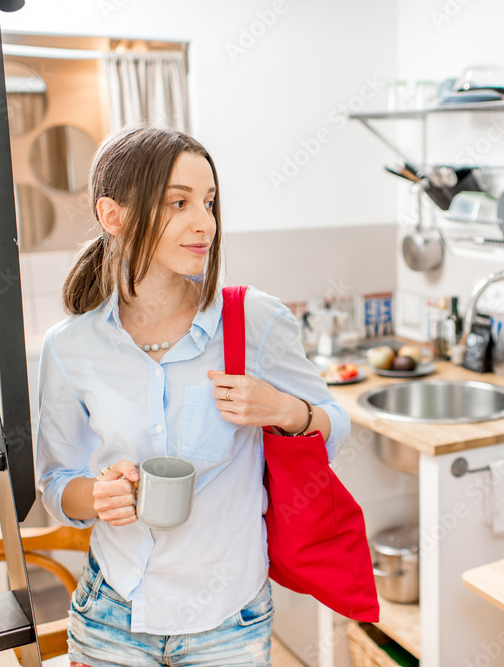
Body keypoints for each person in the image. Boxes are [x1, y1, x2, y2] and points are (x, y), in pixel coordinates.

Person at [35, 126, 350, 667]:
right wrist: (97, 497)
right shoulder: (70, 347)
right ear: (114, 217)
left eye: (208, 202)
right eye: (178, 203)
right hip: (113, 615)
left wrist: (281, 410)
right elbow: (55, 484)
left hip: (229, 623)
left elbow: (337, 427)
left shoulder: (254, 320)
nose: (203, 222)